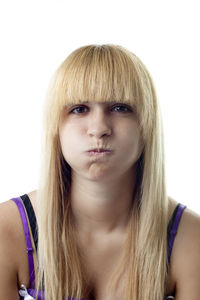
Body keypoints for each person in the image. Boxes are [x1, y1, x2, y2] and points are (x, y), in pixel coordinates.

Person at [0, 44, 200, 300]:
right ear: (56, 128)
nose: (98, 128)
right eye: (79, 109)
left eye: (120, 107)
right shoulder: (7, 230)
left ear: (146, 125)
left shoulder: (190, 238)